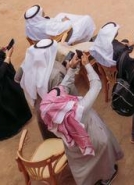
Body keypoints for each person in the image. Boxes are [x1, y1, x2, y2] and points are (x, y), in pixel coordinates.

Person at [40, 52, 124, 185]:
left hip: (74, 146)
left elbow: (63, 87)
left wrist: (72, 68)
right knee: (103, 159)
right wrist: (87, 65)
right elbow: (96, 84)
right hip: (94, 137)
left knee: (84, 166)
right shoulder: (79, 109)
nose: (60, 91)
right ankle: (108, 177)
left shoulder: (50, 114)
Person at [18, 38, 79, 140]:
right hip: (57, 111)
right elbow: (63, 94)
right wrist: (70, 70)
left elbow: (17, 78)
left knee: (50, 135)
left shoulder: (28, 65)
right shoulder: (55, 74)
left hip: (40, 108)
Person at [23, 4, 96, 45]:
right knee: (87, 19)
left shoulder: (29, 26)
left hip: (47, 38)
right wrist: (67, 21)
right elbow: (67, 27)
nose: (43, 12)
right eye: (41, 12)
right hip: (61, 38)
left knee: (60, 15)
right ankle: (84, 43)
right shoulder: (47, 26)